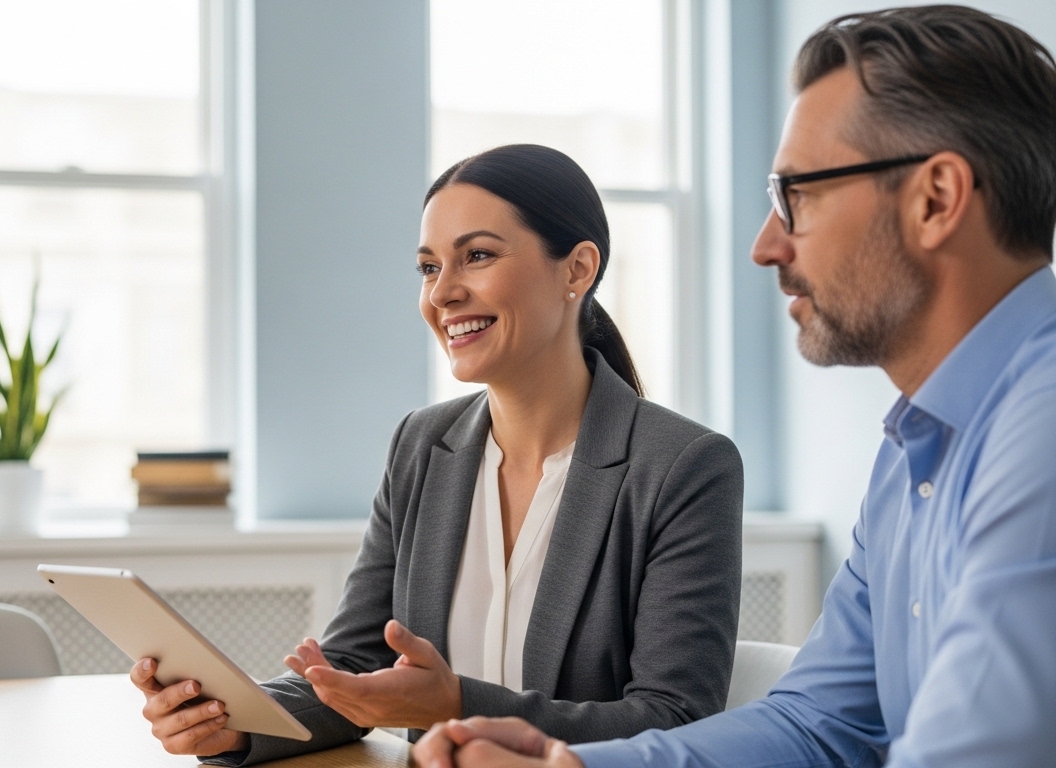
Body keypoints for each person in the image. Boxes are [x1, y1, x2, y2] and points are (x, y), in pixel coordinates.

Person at [413, 6, 1056, 768]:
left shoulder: (1040, 429)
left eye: (797, 197)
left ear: (936, 199)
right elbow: (819, 723)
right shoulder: (910, 455)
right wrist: (572, 765)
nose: (765, 244)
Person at [131, 143, 746, 765]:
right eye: (429, 267)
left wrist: (454, 701)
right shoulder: (421, 445)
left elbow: (674, 720)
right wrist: (232, 722)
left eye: (477, 256)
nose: (443, 293)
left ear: (577, 269)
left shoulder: (685, 466)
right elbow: (354, 666)